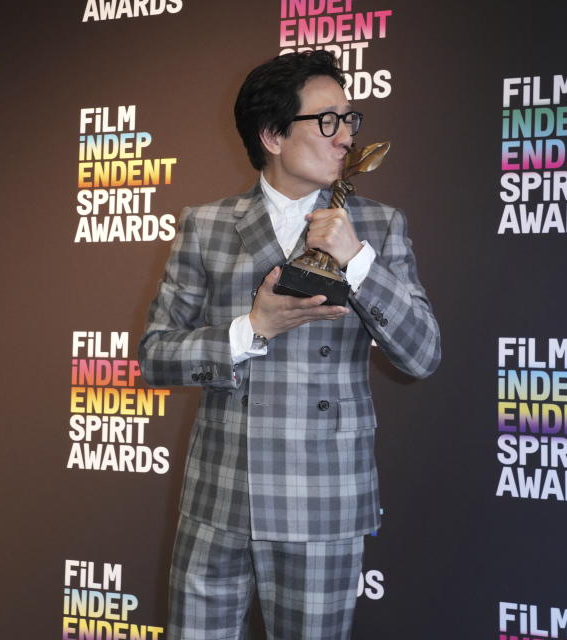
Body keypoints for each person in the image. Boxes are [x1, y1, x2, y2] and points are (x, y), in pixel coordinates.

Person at [138, 51, 441, 640]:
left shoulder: (378, 225)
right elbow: (155, 354)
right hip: (219, 499)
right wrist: (252, 330)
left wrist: (358, 261)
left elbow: (423, 354)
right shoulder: (208, 225)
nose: (345, 137)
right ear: (273, 135)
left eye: (351, 120)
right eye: (326, 121)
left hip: (323, 496)